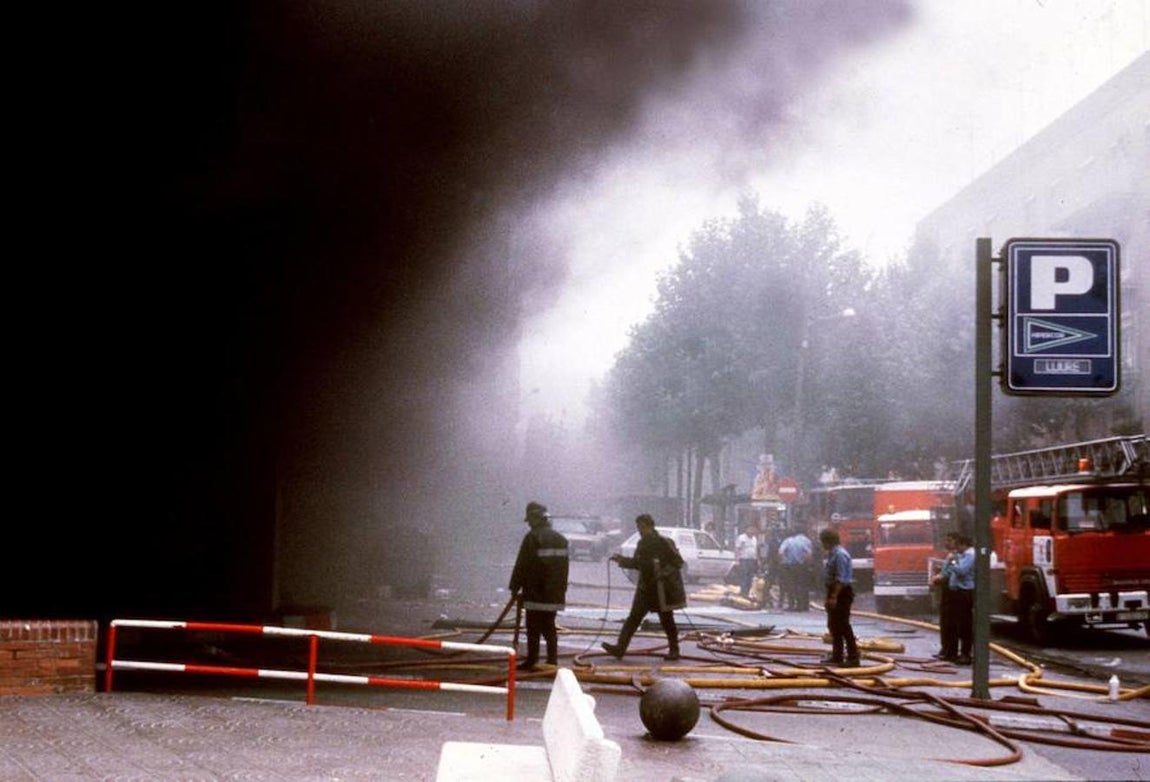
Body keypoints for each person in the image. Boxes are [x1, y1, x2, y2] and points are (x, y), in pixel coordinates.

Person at [602, 514, 686, 661]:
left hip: (661, 589)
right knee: (633, 619)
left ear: (650, 526)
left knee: (667, 620)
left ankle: (674, 650)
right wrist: (621, 560)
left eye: (642, 527)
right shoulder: (642, 544)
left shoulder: (665, 542)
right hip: (645, 588)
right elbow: (637, 563)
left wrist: (663, 572)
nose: (640, 530)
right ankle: (620, 648)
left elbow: (678, 562)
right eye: (638, 527)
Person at [508, 501, 569, 672]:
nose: (529, 524)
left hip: (535, 592)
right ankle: (552, 660)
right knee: (549, 626)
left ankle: (532, 660)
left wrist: (514, 587)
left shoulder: (532, 538)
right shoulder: (561, 539)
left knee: (533, 627)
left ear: (536, 519)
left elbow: (522, 565)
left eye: (530, 520)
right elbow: (563, 569)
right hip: (554, 593)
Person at [820, 527, 859, 667]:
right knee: (834, 625)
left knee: (843, 625)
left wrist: (834, 597)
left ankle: (853, 657)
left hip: (841, 592)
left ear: (827, 541)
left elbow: (841, 579)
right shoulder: (832, 553)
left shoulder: (840, 555)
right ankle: (837, 655)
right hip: (833, 591)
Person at [938, 532, 975, 665]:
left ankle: (966, 654)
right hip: (957, 592)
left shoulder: (970, 556)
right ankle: (952, 653)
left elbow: (961, 571)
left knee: (964, 624)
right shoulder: (963, 555)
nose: (956, 549)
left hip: (964, 593)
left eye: (957, 545)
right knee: (955, 623)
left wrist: (952, 561)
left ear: (962, 544)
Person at [931, 531, 960, 662]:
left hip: (952, 592)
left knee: (950, 623)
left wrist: (938, 577)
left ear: (956, 541)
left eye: (949, 540)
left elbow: (950, 573)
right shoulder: (950, 556)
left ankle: (950, 652)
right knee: (945, 622)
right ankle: (945, 650)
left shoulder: (956, 556)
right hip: (946, 590)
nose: (946, 543)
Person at [778, 525, 814, 611]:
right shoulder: (807, 541)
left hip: (790, 566)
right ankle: (803, 606)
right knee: (802, 585)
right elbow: (809, 554)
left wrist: (783, 561)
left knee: (791, 585)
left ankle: (791, 605)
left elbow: (780, 552)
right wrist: (807, 563)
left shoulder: (788, 541)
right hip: (802, 566)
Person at [734, 523, 760, 599]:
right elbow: (737, 549)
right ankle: (743, 593)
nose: (752, 531)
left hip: (752, 560)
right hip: (744, 560)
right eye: (750, 529)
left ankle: (747, 592)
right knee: (744, 577)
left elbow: (756, 550)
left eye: (753, 529)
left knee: (750, 577)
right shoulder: (741, 538)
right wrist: (737, 560)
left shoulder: (754, 539)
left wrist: (758, 560)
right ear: (747, 529)